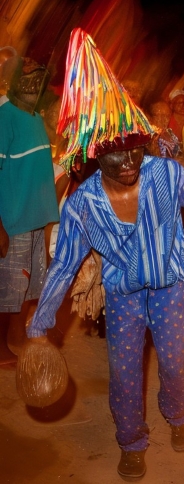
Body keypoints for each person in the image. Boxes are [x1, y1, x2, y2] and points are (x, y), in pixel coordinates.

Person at [25, 29, 184, 481]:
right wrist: (40, 324)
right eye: (115, 157)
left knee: (176, 364)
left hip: (172, 288)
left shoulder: (168, 174)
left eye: (135, 148)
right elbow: (64, 266)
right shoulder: (84, 205)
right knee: (123, 374)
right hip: (122, 297)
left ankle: (179, 415)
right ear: (93, 157)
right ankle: (131, 440)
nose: (129, 162)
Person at [0, 55, 59, 364]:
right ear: (14, 84)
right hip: (13, 220)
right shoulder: (4, 116)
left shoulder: (35, 116)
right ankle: (1, 348)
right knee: (8, 289)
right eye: (28, 79)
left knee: (26, 286)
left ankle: (15, 338)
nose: (34, 84)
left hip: (35, 219)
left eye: (39, 79)